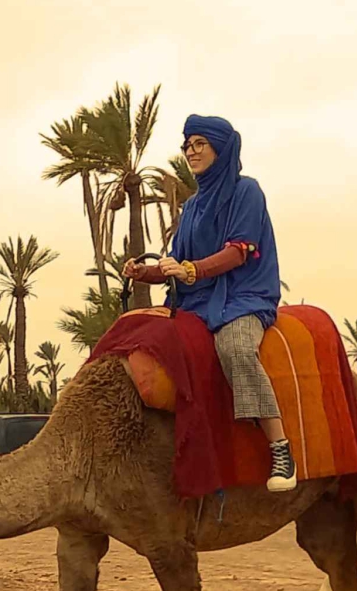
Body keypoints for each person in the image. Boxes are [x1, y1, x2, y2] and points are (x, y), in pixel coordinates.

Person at [122, 114, 296, 491]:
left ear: (222, 148)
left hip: (244, 297)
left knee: (234, 348)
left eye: (199, 143)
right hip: (198, 300)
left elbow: (239, 251)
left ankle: (279, 447)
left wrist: (191, 271)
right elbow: (176, 263)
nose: (191, 151)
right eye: (187, 145)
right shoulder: (192, 207)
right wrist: (144, 272)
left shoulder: (247, 192)